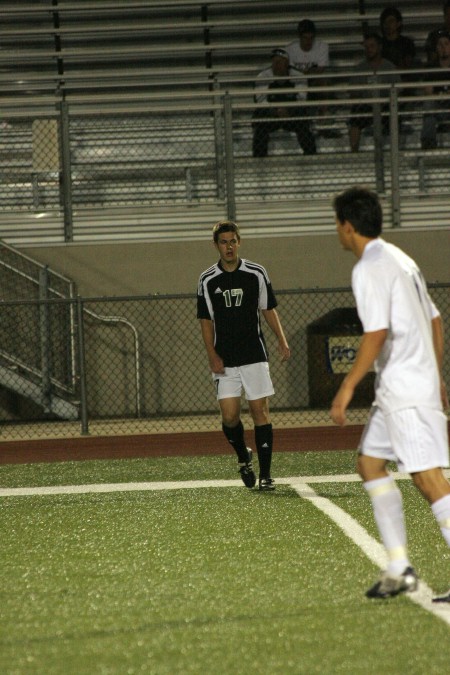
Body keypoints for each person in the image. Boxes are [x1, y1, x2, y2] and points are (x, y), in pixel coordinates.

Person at [330, 185, 450, 603]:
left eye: (338, 226)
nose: (338, 234)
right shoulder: (400, 258)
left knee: (429, 479)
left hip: (404, 389)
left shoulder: (369, 268)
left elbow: (376, 334)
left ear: (348, 227)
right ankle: (399, 567)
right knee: (369, 464)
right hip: (406, 386)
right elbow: (435, 320)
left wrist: (346, 387)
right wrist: (436, 375)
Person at [197, 220, 291, 491]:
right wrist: (211, 354)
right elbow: (205, 320)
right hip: (225, 358)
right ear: (216, 245)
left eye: (233, 241)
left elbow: (268, 309)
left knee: (260, 411)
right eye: (223, 242)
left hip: (253, 354)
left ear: (239, 242)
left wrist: (282, 340)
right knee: (229, 416)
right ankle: (243, 456)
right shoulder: (207, 279)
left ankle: (266, 475)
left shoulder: (256, 273)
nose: (229, 246)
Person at [252, 48, 316, 157]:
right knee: (260, 123)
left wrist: (288, 110)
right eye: (274, 62)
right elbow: (260, 100)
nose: (275, 65)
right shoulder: (263, 76)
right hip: (271, 115)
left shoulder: (298, 76)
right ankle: (259, 158)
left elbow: (302, 99)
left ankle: (311, 154)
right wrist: (276, 111)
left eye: (278, 62)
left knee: (303, 122)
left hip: (292, 114)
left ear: (286, 63)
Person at [348, 32, 400, 152]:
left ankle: (395, 152)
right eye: (366, 47)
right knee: (355, 117)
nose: (369, 50)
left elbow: (398, 89)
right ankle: (354, 153)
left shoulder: (389, 67)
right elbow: (353, 92)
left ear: (379, 47)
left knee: (395, 116)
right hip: (366, 106)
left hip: (386, 105)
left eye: (372, 46)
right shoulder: (360, 68)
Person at [421, 30, 450, 149]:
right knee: (429, 103)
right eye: (440, 44)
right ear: (436, 48)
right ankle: (428, 142)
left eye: (446, 44)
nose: (443, 47)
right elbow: (428, 91)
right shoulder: (431, 67)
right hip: (439, 107)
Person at [379, 6, 416, 71]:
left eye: (391, 21)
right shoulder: (378, 43)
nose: (388, 25)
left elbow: (408, 64)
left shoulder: (407, 42)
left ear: (399, 23)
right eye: (385, 22)